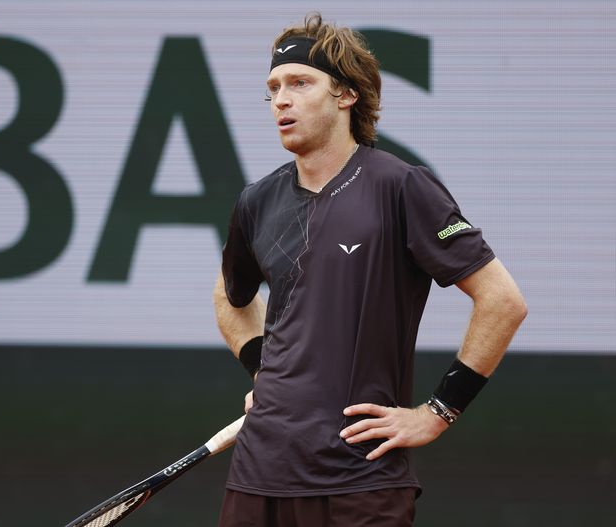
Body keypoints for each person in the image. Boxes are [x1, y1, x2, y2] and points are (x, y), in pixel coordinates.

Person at [212, 12, 527, 527]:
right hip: (258, 473)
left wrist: (438, 412)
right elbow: (230, 297)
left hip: (361, 480)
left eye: (299, 83)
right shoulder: (256, 201)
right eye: (273, 88)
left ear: (346, 94)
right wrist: (265, 372)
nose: (281, 100)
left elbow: (503, 301)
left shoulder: (401, 187)